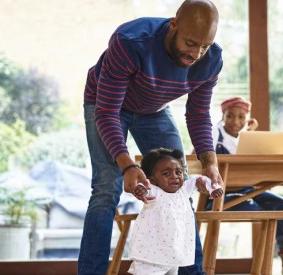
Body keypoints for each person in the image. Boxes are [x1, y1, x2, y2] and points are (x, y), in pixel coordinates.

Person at [78, 1, 224, 274]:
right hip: (107, 106)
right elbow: (107, 113)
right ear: (173, 25)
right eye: (191, 43)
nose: (196, 54)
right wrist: (128, 166)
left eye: (204, 46)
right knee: (106, 189)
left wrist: (210, 164)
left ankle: (192, 271)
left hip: (154, 109)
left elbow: (198, 114)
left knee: (179, 189)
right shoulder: (131, 41)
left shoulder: (211, 61)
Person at [207, 96, 283, 275]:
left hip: (247, 190)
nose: (236, 121)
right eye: (230, 116)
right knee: (274, 211)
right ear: (222, 116)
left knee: (282, 206)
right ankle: (279, 214)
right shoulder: (214, 134)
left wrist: (250, 133)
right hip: (222, 195)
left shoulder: (243, 137)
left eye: (241, 117)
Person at [128, 148, 223, 275]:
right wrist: (140, 189)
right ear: (153, 180)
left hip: (174, 253)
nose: (175, 176)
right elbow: (144, 188)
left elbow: (199, 179)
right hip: (152, 255)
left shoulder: (184, 190)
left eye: (179, 172)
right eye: (166, 173)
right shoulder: (154, 191)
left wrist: (212, 188)